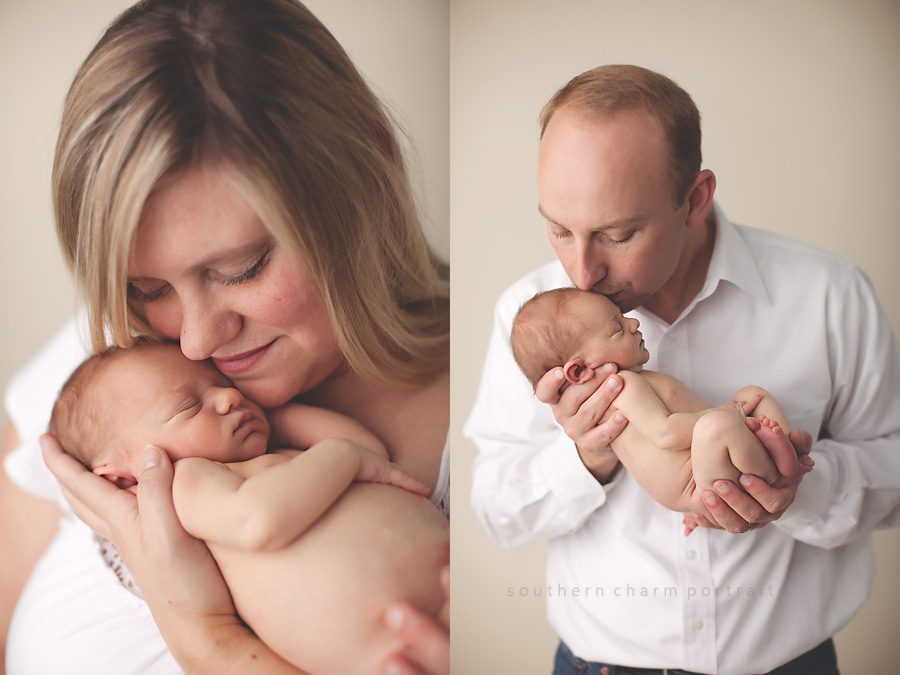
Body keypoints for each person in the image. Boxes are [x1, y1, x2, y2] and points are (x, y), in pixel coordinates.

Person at [1, 1, 449, 673]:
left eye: (241, 269)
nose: (195, 340)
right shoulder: (121, 364)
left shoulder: (502, 403)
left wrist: (205, 635)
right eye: (150, 287)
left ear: (360, 180)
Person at [466, 64, 900, 673]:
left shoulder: (829, 295)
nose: (581, 272)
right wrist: (587, 455)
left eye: (617, 234)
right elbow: (494, 510)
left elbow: (894, 474)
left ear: (694, 200)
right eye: (559, 230)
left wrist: (803, 487)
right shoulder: (529, 317)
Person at [49, 342, 450, 674]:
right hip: (392, 651)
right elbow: (259, 521)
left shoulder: (286, 455)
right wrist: (342, 458)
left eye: (221, 384)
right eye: (189, 407)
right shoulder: (187, 482)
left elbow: (372, 455)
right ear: (125, 480)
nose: (228, 397)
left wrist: (280, 419)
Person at [510, 288, 809, 530]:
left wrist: (728, 415)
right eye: (617, 328)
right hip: (693, 478)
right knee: (717, 426)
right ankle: (781, 465)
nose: (633, 323)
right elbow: (666, 433)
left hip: (706, 461)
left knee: (751, 394)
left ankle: (784, 459)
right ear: (579, 371)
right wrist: (727, 414)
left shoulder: (634, 378)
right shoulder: (623, 384)